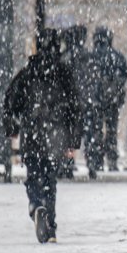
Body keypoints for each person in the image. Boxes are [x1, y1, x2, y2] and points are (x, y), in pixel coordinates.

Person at [3, 29, 82, 243]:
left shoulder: (28, 71)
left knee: (34, 174)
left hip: (33, 130)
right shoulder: (63, 72)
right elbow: (76, 106)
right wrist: (74, 138)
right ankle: (51, 227)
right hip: (55, 133)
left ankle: (35, 204)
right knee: (50, 178)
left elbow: (11, 100)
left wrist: (12, 126)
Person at [87, 26, 127, 174]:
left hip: (95, 100)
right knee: (111, 131)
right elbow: (124, 75)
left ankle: (96, 161)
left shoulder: (91, 56)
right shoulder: (117, 56)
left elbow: (86, 78)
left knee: (95, 130)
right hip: (113, 100)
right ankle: (112, 161)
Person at [58, 25, 92, 179]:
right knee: (89, 132)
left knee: (68, 133)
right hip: (85, 99)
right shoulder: (88, 56)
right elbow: (92, 79)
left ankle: (68, 162)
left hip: (70, 101)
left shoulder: (64, 57)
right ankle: (92, 163)